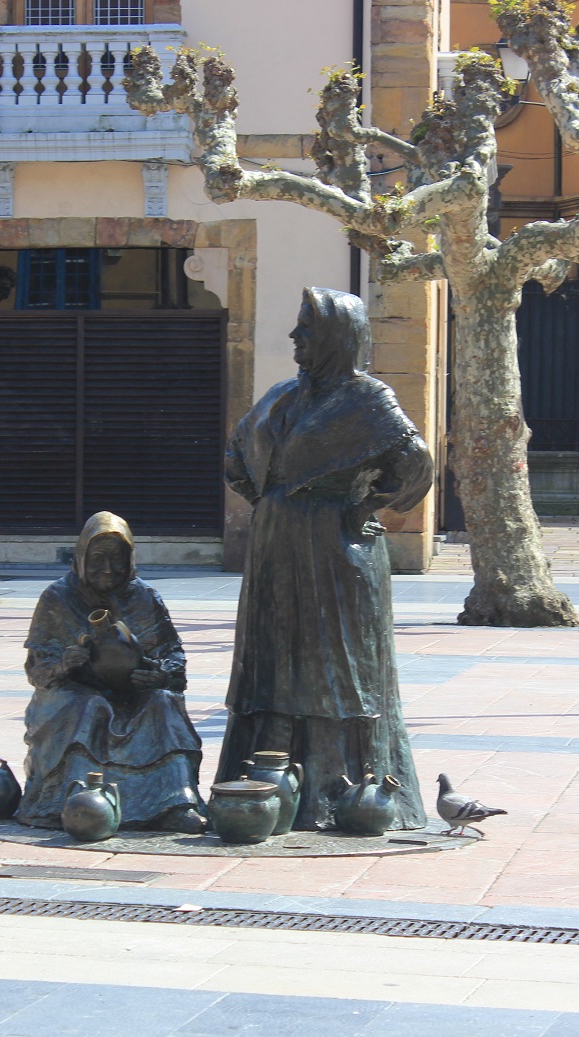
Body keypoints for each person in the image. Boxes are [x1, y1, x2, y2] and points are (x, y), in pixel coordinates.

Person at [217, 287, 434, 830]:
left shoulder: (368, 400)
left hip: (337, 549)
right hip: (276, 544)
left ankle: (341, 793)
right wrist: (272, 502)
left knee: (338, 667)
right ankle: (265, 781)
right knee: (270, 662)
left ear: (338, 338)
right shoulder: (280, 398)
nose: (295, 338)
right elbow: (235, 455)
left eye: (307, 329)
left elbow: (415, 465)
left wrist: (363, 503)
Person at [17, 511, 207, 833]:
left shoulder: (145, 597)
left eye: (117, 558)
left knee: (163, 703)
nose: (107, 569)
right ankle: (71, 803)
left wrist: (160, 674)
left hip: (134, 692)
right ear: (81, 558)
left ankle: (175, 803)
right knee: (89, 707)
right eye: (98, 558)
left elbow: (173, 656)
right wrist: (65, 664)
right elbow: (38, 669)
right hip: (73, 695)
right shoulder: (58, 598)